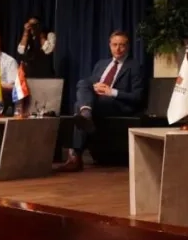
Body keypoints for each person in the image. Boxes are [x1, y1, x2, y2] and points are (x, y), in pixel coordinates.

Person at [57, 30, 144, 172]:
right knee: (83, 84)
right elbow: (89, 84)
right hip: (97, 101)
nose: (118, 48)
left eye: (122, 45)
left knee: (78, 105)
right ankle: (86, 114)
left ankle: (75, 156)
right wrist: (94, 87)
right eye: (115, 44)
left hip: (118, 104)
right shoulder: (101, 64)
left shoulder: (135, 66)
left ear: (127, 47)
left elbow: (137, 96)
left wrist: (112, 92)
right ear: (110, 45)